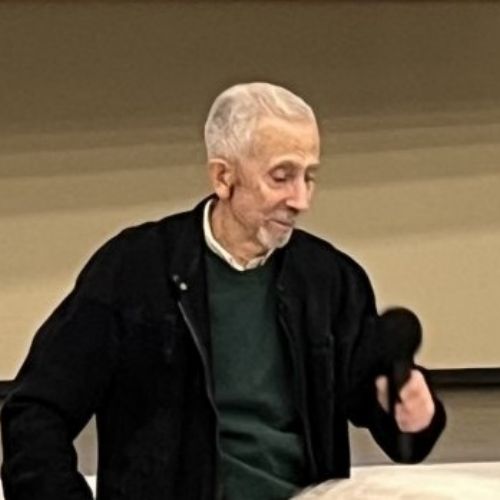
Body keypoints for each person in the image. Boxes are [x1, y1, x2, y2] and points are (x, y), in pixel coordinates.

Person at [1, 82, 445, 500]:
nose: (301, 200)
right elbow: (36, 412)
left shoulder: (329, 279)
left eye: (309, 176)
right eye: (281, 176)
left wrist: (413, 415)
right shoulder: (135, 269)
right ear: (222, 177)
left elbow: (385, 414)